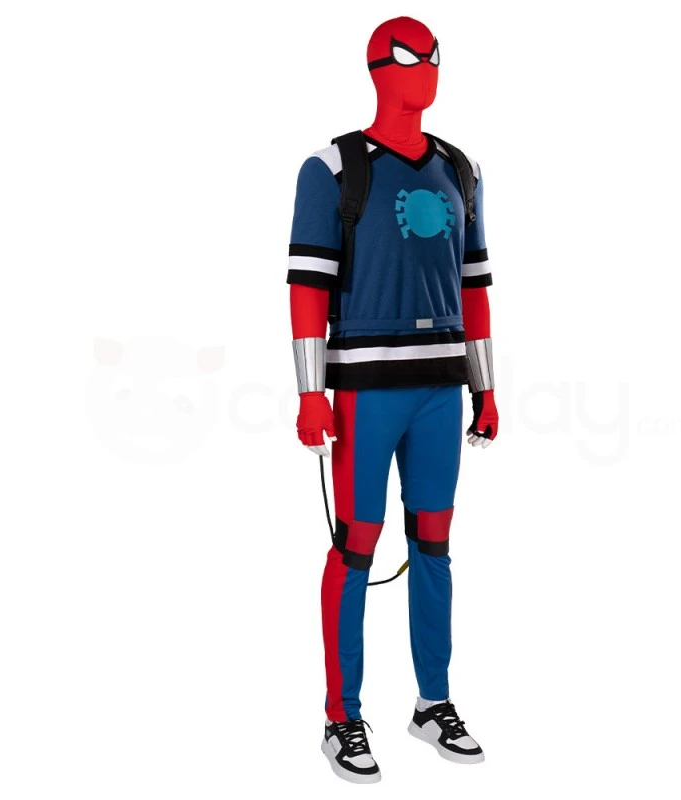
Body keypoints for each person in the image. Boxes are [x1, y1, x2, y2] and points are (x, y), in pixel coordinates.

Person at [287, 16, 499, 784]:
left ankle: (432, 702)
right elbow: (307, 284)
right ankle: (340, 716)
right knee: (357, 544)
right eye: (413, 57)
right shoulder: (333, 168)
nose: (428, 68)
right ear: (379, 67)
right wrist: (311, 393)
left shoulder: (462, 169)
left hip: (442, 390)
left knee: (434, 543)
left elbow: (475, 285)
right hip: (365, 393)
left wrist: (486, 384)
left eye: (436, 56)